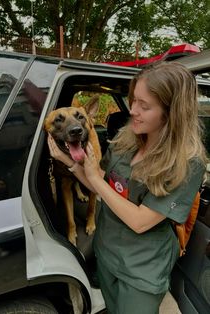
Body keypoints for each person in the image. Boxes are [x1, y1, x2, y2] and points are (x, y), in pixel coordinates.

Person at [47, 62, 207, 314]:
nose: (132, 110)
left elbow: (141, 221)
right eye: (133, 101)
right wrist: (69, 162)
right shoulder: (126, 138)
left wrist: (96, 179)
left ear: (172, 111)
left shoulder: (187, 163)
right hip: (107, 252)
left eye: (144, 106)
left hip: (142, 269)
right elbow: (103, 181)